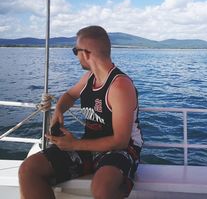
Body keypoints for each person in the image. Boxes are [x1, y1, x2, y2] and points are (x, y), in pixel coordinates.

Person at [19, 25, 143, 199]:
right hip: (89, 145)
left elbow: (120, 141)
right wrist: (59, 112)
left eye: (75, 50)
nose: (76, 56)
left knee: (102, 187)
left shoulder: (119, 86)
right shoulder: (88, 78)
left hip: (123, 150)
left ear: (86, 53)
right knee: (29, 168)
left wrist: (73, 145)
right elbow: (69, 95)